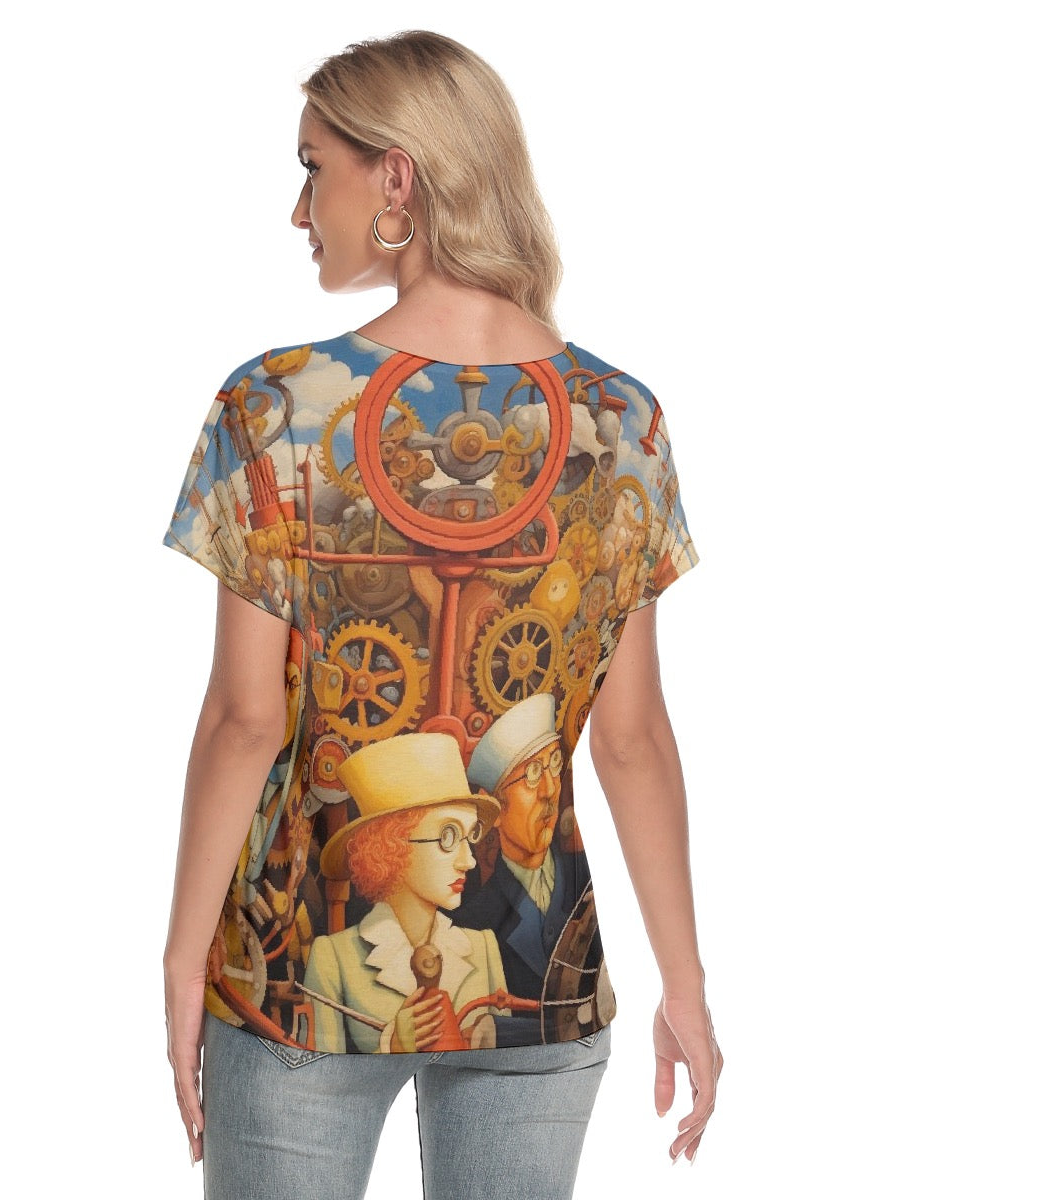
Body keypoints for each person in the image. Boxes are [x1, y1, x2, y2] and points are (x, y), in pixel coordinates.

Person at [160, 29, 723, 1200]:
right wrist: (685, 984)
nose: (299, 208)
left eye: (314, 168)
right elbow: (631, 740)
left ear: (396, 178)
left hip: (290, 989)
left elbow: (243, 722)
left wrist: (180, 957)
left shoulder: (275, 408)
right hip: (541, 992)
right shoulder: (621, 421)